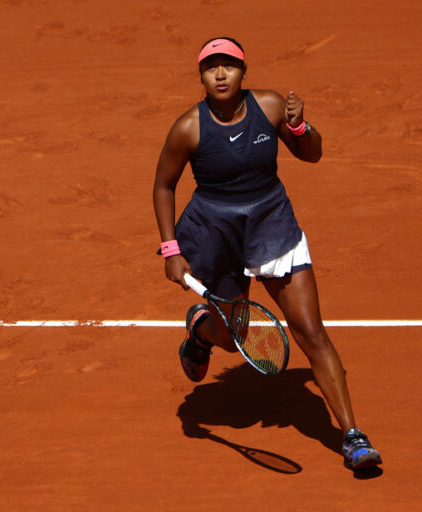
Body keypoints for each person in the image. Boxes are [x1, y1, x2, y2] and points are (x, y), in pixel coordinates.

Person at [152, 37, 382, 470]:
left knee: (311, 331)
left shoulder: (273, 106)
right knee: (227, 338)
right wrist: (171, 249)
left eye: (229, 66)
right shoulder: (188, 128)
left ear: (244, 72)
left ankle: (353, 436)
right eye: (210, 68)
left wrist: (299, 127)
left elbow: (310, 155)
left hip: (271, 223)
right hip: (215, 233)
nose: (220, 75)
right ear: (201, 77)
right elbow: (163, 185)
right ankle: (202, 332)